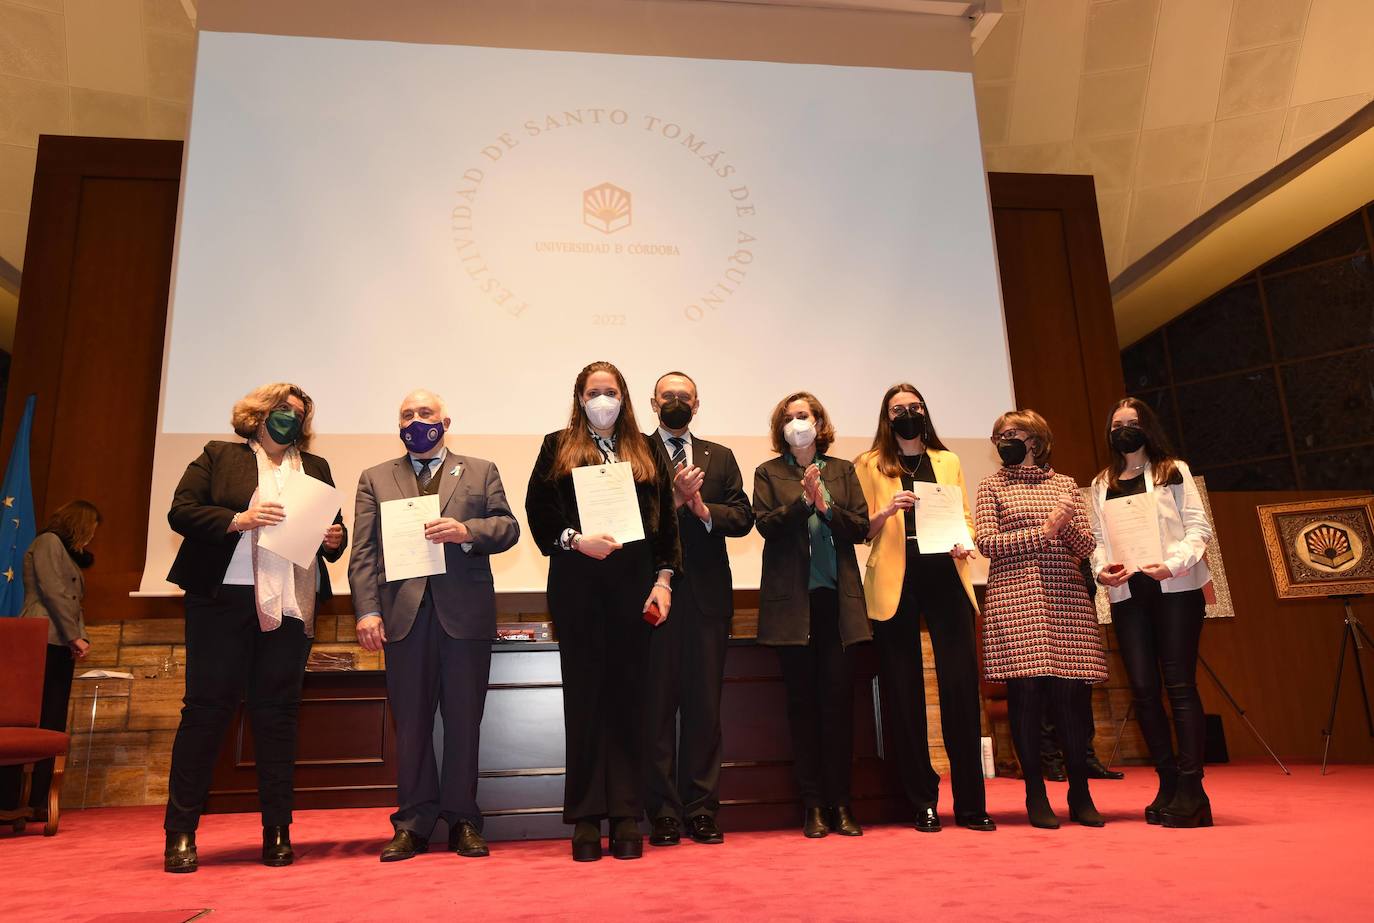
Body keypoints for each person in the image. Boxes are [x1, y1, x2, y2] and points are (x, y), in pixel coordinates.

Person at [162, 383, 347, 873]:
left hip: (292, 604)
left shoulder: (317, 468)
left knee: (278, 715)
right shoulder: (219, 455)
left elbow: (334, 538)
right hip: (222, 599)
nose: (291, 418)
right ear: (259, 414)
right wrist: (238, 519)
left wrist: (335, 537)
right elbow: (180, 511)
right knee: (206, 711)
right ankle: (180, 831)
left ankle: (278, 829)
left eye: (299, 413)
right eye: (283, 410)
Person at [349, 390, 520, 862]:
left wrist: (468, 533)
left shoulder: (481, 470)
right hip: (402, 618)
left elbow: (508, 528)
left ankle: (463, 820)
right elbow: (363, 552)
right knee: (412, 725)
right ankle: (413, 823)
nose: (416, 420)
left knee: (465, 722)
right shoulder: (375, 478)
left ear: (446, 422)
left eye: (425, 413)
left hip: (464, 617)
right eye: (407, 414)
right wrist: (367, 610)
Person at [525, 361, 681, 862]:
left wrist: (663, 580)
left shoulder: (647, 447)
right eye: (594, 391)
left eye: (610, 391)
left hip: (634, 590)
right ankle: (587, 818)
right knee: (586, 701)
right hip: (577, 587)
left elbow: (667, 526)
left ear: (624, 397)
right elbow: (538, 511)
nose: (603, 399)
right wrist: (576, 540)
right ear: (579, 398)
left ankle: (626, 816)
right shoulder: (557, 445)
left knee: (630, 702)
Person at [854, 384, 993, 833]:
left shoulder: (947, 460)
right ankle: (922, 801)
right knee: (903, 690)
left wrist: (965, 541)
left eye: (914, 407)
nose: (908, 414)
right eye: (898, 410)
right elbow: (860, 528)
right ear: (886, 417)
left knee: (959, 686)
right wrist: (886, 510)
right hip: (895, 578)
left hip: (944, 574)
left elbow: (966, 517)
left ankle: (971, 803)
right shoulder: (870, 463)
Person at [975, 409, 1107, 829]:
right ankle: (1035, 792)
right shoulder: (991, 486)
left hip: (1066, 599)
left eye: (1011, 433)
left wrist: (1064, 527)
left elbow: (1086, 544)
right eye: (998, 435)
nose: (1003, 440)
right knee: (1027, 697)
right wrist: (1044, 531)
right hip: (1014, 601)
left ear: (1035, 438)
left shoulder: (1065, 485)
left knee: (1071, 700)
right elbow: (986, 542)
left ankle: (1080, 792)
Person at [1090, 397, 1214, 828]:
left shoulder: (1172, 470)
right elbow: (1098, 540)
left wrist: (1174, 563)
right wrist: (1102, 568)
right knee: (1143, 690)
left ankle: (1192, 787)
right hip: (1128, 595)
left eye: (1132, 422)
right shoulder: (1102, 482)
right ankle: (1166, 781)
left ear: (1148, 427)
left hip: (1175, 588)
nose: (1124, 429)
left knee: (1179, 685)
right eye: (1116, 424)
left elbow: (1199, 527)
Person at [642, 372, 753, 848]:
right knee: (656, 708)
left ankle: (702, 809)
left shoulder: (720, 456)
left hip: (707, 599)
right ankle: (663, 812)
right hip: (652, 596)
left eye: (683, 396)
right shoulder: (633, 452)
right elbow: (626, 519)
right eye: (667, 396)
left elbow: (743, 517)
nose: (675, 401)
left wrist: (704, 510)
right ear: (652, 402)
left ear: (697, 403)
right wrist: (673, 498)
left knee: (705, 710)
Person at [753, 391, 870, 839]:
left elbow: (859, 528)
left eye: (804, 416)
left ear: (819, 422)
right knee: (803, 709)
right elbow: (764, 525)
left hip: (837, 605)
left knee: (838, 707)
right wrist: (803, 503)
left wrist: (826, 506)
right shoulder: (769, 472)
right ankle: (813, 806)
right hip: (792, 608)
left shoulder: (842, 470)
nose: (796, 423)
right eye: (788, 417)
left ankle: (842, 804)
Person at [17, 500, 100, 818]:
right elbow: (54, 592)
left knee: (52, 719)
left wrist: (77, 637)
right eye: (90, 529)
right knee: (37, 720)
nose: (91, 537)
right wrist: (73, 636)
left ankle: (38, 800)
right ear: (79, 524)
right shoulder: (49, 542)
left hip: (56, 640)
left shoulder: (61, 550)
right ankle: (18, 798)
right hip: (43, 638)